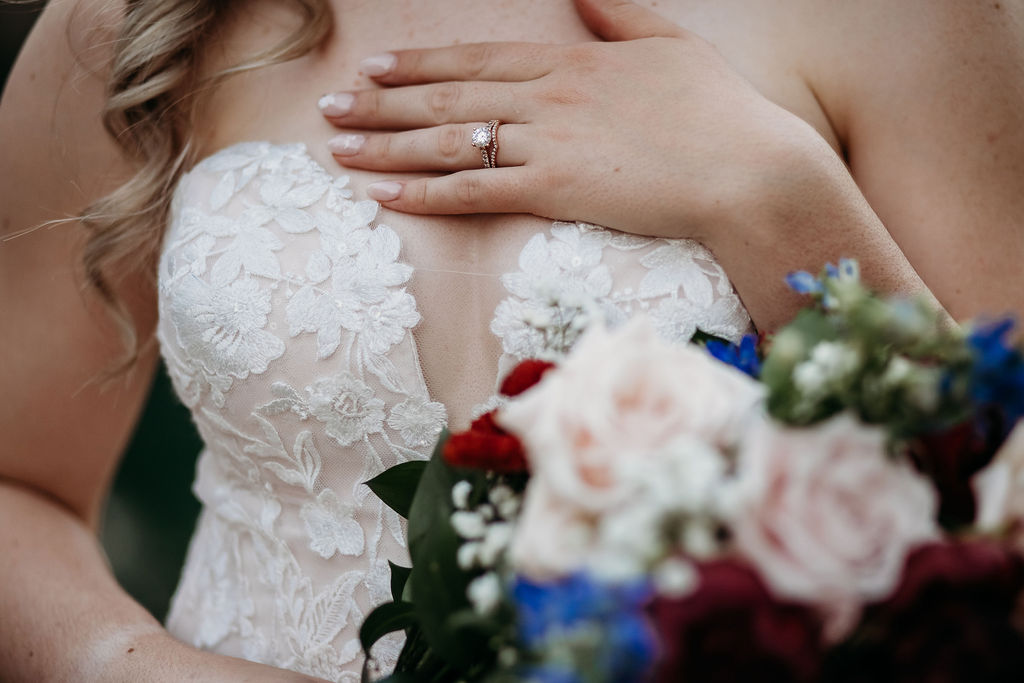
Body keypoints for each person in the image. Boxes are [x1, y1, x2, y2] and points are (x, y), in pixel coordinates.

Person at [1, 0, 1021, 681]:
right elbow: (16, 482)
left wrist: (774, 193)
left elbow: (1003, 534)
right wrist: (123, 655)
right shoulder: (136, 20)